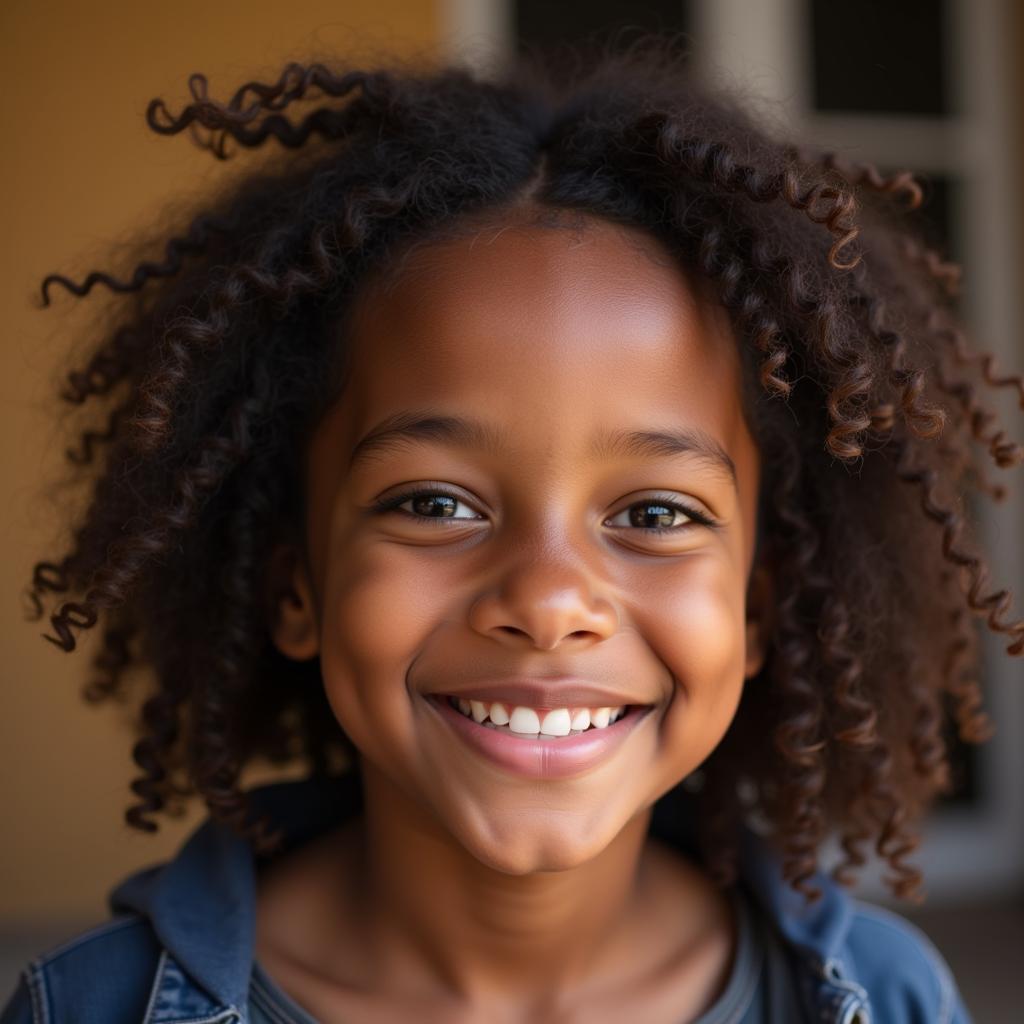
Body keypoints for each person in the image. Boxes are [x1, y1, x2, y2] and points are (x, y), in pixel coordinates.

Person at [3, 31, 1018, 1024]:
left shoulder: (886, 999)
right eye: (435, 503)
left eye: (656, 513)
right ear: (294, 586)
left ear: (755, 607)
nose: (546, 602)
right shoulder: (88, 1007)